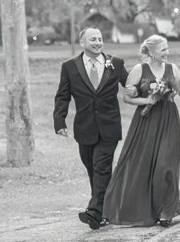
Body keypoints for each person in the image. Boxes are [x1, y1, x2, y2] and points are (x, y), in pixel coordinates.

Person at [102, 35, 180, 227]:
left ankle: (166, 211)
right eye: (163, 49)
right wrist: (147, 101)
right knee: (141, 163)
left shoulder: (172, 69)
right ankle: (133, 207)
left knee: (166, 165)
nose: (167, 52)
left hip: (168, 119)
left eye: (167, 49)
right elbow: (127, 98)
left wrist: (179, 87)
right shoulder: (139, 69)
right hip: (146, 121)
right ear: (151, 52)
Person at [53, 27, 128, 230]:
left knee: (101, 167)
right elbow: (63, 95)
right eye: (93, 39)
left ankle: (94, 212)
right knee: (92, 170)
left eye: (100, 38)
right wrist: (59, 121)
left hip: (109, 127)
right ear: (83, 43)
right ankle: (106, 211)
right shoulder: (69, 67)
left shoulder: (116, 63)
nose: (97, 42)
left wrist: (152, 87)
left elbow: (131, 83)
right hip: (84, 128)